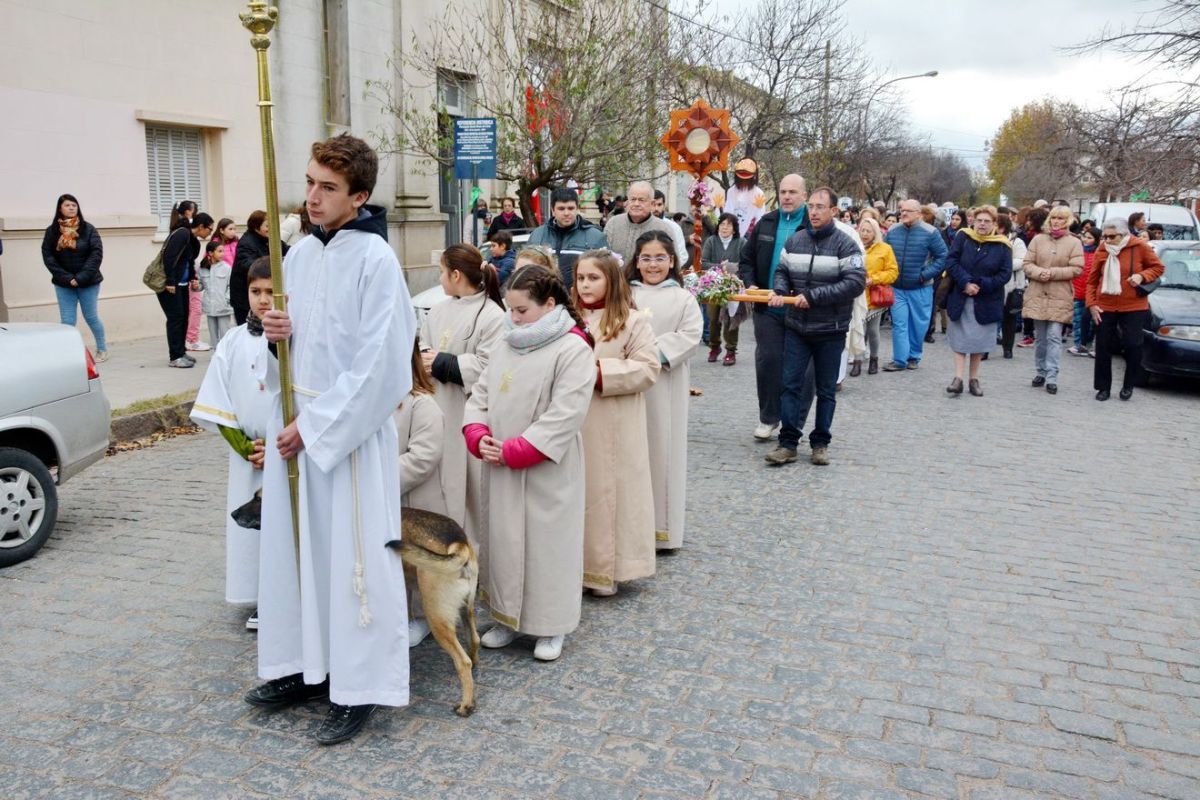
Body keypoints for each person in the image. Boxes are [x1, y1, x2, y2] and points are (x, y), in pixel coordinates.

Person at [252, 134, 417, 745]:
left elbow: (383, 365)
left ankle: (359, 684)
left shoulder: (376, 261)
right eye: (310, 183)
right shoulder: (294, 255)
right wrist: (275, 336)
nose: (313, 197)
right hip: (296, 422)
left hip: (343, 436)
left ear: (360, 196)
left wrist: (315, 427)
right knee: (297, 552)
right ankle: (302, 665)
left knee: (353, 558)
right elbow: (294, 347)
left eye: (328, 187)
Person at [464, 264, 595, 662]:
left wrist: (520, 449)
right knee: (503, 541)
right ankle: (506, 617)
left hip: (545, 469)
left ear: (550, 304)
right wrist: (477, 432)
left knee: (547, 546)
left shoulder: (573, 347)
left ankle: (552, 624)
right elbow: (481, 392)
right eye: (510, 309)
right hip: (499, 461)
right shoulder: (508, 341)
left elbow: (567, 411)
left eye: (522, 310)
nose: (514, 317)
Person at [190, 256, 275, 631]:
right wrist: (247, 449)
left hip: (288, 452)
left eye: (271, 292)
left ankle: (288, 596)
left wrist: (277, 447)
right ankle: (259, 595)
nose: (263, 300)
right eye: (256, 292)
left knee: (285, 528)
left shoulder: (296, 340)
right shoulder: (232, 341)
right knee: (252, 531)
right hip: (248, 457)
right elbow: (217, 401)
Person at [574, 249, 659, 597]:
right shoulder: (567, 317)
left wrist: (599, 374)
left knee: (609, 496)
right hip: (575, 422)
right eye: (580, 278)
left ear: (611, 280)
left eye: (593, 278)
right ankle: (575, 567)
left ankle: (608, 570)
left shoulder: (631, 321)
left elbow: (648, 368)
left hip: (614, 423)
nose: (585, 285)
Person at [765, 187, 865, 466]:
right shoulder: (796, 241)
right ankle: (787, 444)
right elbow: (782, 271)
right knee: (790, 386)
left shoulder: (846, 244)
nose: (814, 212)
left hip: (830, 330)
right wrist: (781, 292)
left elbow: (855, 282)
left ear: (833, 211)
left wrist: (814, 297)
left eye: (821, 207)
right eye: (811, 206)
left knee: (826, 391)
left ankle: (820, 443)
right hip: (796, 327)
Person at [419, 244, 506, 547]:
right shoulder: (439, 310)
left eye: (441, 272)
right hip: (436, 406)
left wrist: (444, 362)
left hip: (468, 411)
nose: (440, 278)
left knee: (470, 488)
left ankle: (476, 555)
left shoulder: (492, 315)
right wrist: (424, 358)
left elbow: (492, 366)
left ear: (456, 275)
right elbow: (423, 346)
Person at [629, 231, 703, 552]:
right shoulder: (625, 293)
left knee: (662, 452)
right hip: (627, 383)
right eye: (646, 258)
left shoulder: (683, 299)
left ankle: (663, 530)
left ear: (672, 261)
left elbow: (689, 336)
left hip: (663, 385)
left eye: (660, 258)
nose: (653, 265)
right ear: (637, 261)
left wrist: (647, 355)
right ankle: (630, 529)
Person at [738, 174, 809, 441]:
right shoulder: (766, 223)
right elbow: (746, 260)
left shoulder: (809, 225)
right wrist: (751, 283)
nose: (787, 197)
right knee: (768, 361)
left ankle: (795, 423)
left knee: (800, 368)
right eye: (783, 192)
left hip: (800, 309)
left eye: (792, 192)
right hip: (767, 308)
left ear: (804, 194)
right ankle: (768, 418)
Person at [394, 338, 449, 647]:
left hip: (416, 499)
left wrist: (379, 478)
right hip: (389, 501)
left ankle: (422, 616)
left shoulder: (421, 403)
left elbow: (423, 457)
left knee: (418, 561)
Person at [1086, 219, 1165, 401]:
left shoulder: (1139, 247)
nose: (1107, 240)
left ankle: (1129, 385)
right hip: (1105, 304)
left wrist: (1141, 275)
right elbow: (1092, 279)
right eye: (1104, 236)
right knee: (1104, 346)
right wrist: (1091, 304)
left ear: (1123, 234)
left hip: (1133, 306)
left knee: (1132, 345)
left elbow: (1158, 267)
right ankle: (1103, 388)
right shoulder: (1102, 249)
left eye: (1111, 236)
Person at [943, 206, 1012, 397]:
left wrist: (982, 284)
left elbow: (1005, 274)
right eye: (979, 220)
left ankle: (974, 379)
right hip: (961, 295)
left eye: (987, 221)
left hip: (986, 298)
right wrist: (965, 282)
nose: (982, 224)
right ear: (973, 221)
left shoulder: (1002, 245)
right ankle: (957, 378)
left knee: (978, 341)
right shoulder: (963, 237)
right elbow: (951, 261)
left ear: (994, 224)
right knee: (960, 338)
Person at [1022, 206, 1083, 395]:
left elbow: (1077, 268)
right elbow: (1027, 264)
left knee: (1054, 336)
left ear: (1068, 221)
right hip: (1038, 293)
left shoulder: (1074, 242)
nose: (1056, 221)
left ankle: (1052, 376)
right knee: (1040, 337)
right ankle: (1040, 371)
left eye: (1061, 218)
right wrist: (1040, 273)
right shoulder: (1038, 239)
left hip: (1060, 294)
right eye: (1054, 217)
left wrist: (1053, 273)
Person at [880, 199, 947, 371]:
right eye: (902, 210)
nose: (903, 213)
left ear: (919, 214)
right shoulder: (893, 231)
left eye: (908, 211)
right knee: (900, 324)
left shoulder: (931, 232)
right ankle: (899, 360)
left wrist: (924, 275)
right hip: (897, 288)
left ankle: (914, 356)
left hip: (921, 287)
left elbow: (942, 257)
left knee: (918, 325)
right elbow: (884, 254)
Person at [41, 193, 108, 361]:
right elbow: (48, 256)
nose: (71, 208)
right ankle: (67, 352)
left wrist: (81, 277)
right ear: (60, 208)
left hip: (88, 282)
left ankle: (102, 349)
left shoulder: (88, 228)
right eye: (67, 205)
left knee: (91, 317)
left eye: (74, 205)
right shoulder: (52, 231)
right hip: (64, 284)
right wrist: (66, 278)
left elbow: (96, 254)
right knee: (68, 320)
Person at [158, 212, 212, 368]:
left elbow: (189, 261)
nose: (210, 232)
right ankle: (175, 357)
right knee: (175, 318)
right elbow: (169, 257)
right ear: (201, 226)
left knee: (184, 318)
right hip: (170, 285)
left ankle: (181, 352)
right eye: (209, 229)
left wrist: (192, 278)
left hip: (181, 285)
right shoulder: (182, 233)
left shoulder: (192, 239)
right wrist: (170, 281)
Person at [526, 187, 607, 286]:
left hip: (580, 298)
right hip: (544, 297)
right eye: (561, 208)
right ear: (553, 210)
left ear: (577, 209)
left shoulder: (595, 237)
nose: (566, 213)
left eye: (571, 208)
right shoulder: (537, 235)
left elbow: (607, 274)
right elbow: (526, 271)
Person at [603, 181, 689, 268]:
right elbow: (602, 257)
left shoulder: (664, 228)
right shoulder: (613, 223)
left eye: (641, 200)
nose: (636, 204)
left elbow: (675, 263)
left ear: (652, 204)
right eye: (633, 199)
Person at [700, 213, 745, 365]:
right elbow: (704, 263)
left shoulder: (741, 242)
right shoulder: (711, 241)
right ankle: (714, 346)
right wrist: (721, 267)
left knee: (731, 318)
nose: (725, 227)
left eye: (729, 225)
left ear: (734, 229)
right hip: (714, 285)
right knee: (713, 318)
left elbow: (745, 264)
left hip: (733, 285)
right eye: (722, 224)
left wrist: (732, 267)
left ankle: (731, 350)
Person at [857, 217, 898, 375]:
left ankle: (874, 358)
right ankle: (858, 360)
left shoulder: (885, 249)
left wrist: (874, 279)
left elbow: (892, 272)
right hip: (857, 296)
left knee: (873, 330)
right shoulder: (854, 246)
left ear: (875, 232)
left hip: (874, 296)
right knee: (858, 330)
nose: (865, 234)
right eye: (863, 230)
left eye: (868, 231)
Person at [232, 210, 288, 326]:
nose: (271, 229)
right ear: (256, 227)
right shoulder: (246, 243)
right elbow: (247, 264)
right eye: (267, 226)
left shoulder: (270, 239)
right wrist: (272, 264)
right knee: (249, 329)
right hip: (245, 297)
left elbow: (288, 250)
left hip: (265, 293)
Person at [997, 214, 1027, 359]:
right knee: (989, 317)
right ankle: (984, 348)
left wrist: (1001, 265)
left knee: (1009, 318)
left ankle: (1007, 347)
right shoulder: (986, 240)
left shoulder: (1016, 241)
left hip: (1011, 285)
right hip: (991, 283)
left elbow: (1021, 261)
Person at [199, 240, 235, 346]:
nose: (222, 254)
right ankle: (215, 354)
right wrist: (196, 287)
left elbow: (230, 286)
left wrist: (226, 299)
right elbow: (201, 286)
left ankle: (225, 354)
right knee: (213, 335)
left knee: (225, 333)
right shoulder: (203, 269)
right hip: (210, 307)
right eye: (219, 251)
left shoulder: (227, 268)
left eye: (223, 251)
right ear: (210, 253)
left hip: (223, 307)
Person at [1069, 228, 1098, 356]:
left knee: (1090, 321)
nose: (1086, 240)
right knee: (1077, 319)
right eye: (1085, 237)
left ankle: (1087, 344)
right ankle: (1078, 344)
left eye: (1090, 237)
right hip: (1076, 290)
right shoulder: (1078, 251)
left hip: (1091, 293)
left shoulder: (1098, 253)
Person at [722, 158, 767, 236]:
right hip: (731, 233)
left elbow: (759, 219)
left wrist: (758, 209)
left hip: (749, 235)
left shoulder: (758, 193)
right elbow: (727, 212)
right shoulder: (731, 191)